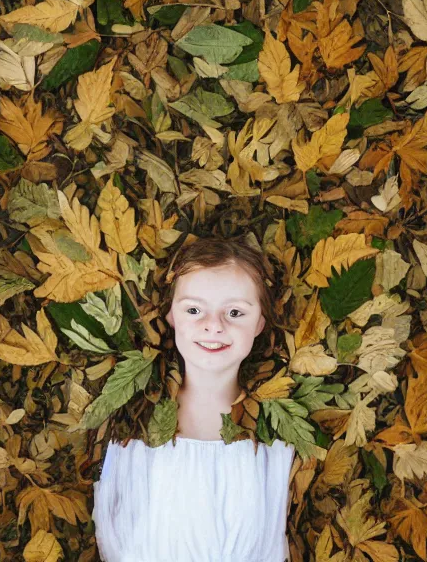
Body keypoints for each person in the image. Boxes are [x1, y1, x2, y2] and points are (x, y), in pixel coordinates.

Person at [92, 234, 295, 562]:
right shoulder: (130, 430)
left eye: (235, 312)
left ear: (260, 322)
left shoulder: (278, 441)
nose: (213, 325)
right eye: (194, 309)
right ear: (171, 315)